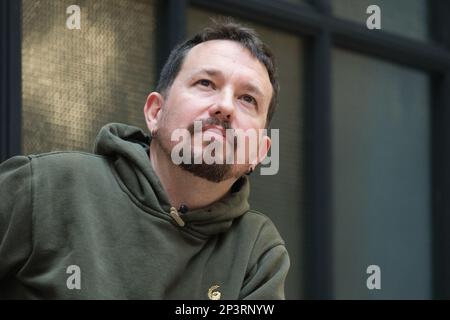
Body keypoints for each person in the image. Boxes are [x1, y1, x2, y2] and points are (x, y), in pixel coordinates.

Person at [0, 21, 289, 299]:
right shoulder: (44, 185)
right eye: (206, 83)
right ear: (155, 113)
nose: (225, 106)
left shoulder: (258, 251)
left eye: (248, 99)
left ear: (259, 152)